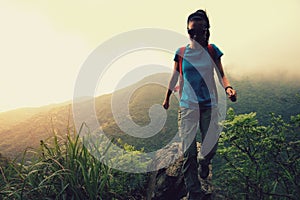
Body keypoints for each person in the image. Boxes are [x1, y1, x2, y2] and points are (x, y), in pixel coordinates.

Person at [162, 9, 237, 199]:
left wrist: (228, 88)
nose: (195, 35)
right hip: (187, 107)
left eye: (199, 31)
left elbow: (221, 74)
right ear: (187, 31)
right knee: (189, 154)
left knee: (209, 148)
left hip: (209, 106)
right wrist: (167, 97)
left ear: (207, 30)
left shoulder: (212, 51)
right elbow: (175, 76)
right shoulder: (180, 53)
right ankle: (194, 193)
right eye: (191, 32)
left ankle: (205, 163)